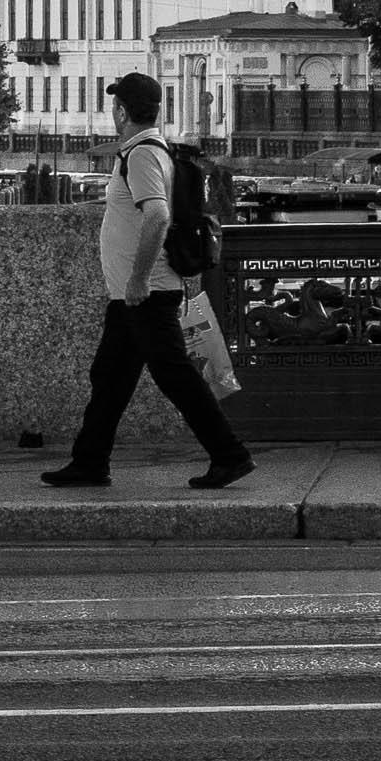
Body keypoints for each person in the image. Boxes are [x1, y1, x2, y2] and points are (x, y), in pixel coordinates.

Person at [42, 71, 254, 491]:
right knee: (110, 378)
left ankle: (230, 455)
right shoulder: (148, 150)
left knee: (177, 378)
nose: (113, 112)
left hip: (146, 292)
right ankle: (89, 462)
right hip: (132, 296)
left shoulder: (141, 155)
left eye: (115, 105)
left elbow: (157, 215)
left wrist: (138, 278)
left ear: (121, 112)